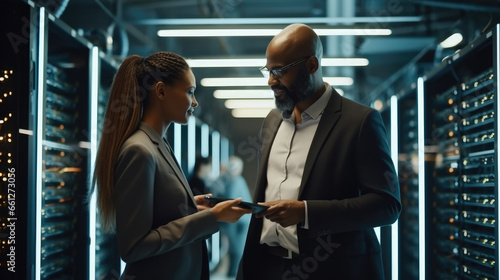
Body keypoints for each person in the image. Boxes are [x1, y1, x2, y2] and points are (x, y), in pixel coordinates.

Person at [237, 24, 401, 280]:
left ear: (312, 65)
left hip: (331, 270)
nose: (271, 81)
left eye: (279, 71)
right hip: (268, 267)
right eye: (268, 72)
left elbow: (387, 206)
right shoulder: (272, 120)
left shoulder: (360, 121)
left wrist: (305, 213)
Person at [91, 51, 251, 280]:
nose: (195, 102)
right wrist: (211, 218)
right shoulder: (139, 150)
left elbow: (158, 215)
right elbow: (134, 246)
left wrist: (189, 207)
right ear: (161, 91)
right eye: (190, 92)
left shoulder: (158, 144)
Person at [212, 156, 252, 277]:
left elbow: (232, 199)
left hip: (238, 220)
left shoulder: (235, 181)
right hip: (238, 220)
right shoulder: (234, 180)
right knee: (237, 249)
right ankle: (233, 274)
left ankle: (233, 274)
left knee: (236, 249)